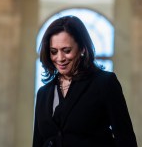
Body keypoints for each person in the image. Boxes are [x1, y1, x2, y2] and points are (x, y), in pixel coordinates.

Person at [32, 15, 137, 147]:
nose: (60, 58)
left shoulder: (105, 83)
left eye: (67, 50)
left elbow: (126, 139)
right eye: (53, 51)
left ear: (82, 48)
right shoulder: (43, 93)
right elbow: (38, 142)